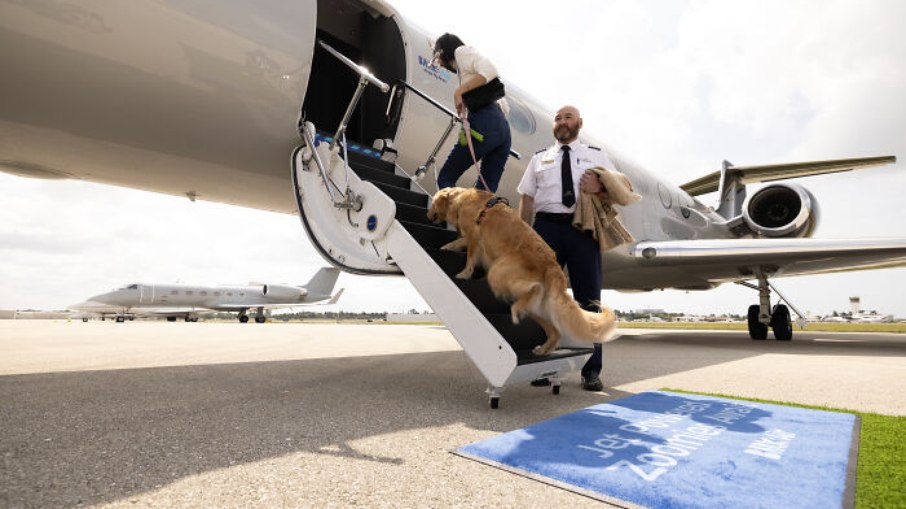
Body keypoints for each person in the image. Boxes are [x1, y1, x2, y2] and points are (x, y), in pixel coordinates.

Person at [516, 105, 617, 392]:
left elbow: (620, 187)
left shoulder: (596, 155)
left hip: (582, 230)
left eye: (568, 117)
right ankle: (544, 366)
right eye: (558, 118)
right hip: (546, 229)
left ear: (579, 123)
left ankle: (591, 370)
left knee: (589, 300)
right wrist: (524, 237)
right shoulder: (539, 159)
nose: (562, 122)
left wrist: (599, 185)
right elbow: (526, 198)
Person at [432, 33, 512, 193]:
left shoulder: (461, 52)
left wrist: (459, 92)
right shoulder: (465, 71)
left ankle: (452, 217)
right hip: (502, 130)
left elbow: (490, 69)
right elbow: (503, 109)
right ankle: (475, 216)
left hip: (486, 121)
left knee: (446, 178)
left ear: (442, 51)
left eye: (437, 58)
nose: (439, 64)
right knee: (483, 193)